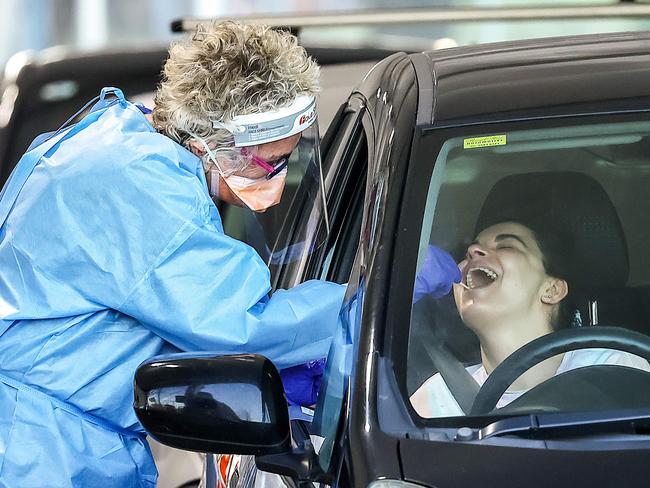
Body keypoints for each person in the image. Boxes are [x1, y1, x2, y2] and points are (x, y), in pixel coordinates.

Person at [0, 22, 345, 487]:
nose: (279, 185)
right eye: (272, 162)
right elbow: (240, 326)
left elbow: (148, 307)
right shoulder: (143, 185)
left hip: (49, 433)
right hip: (42, 449)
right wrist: (366, 301)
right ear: (221, 141)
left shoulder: (125, 143)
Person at [411, 220, 650, 418]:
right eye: (468, 252)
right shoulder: (434, 398)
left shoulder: (614, 368)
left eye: (506, 246)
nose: (473, 252)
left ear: (552, 290)